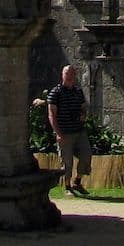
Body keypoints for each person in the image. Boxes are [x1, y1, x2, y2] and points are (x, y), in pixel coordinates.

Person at [46, 64, 91, 196]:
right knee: (67, 162)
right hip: (64, 132)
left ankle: (77, 182)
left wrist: (83, 114)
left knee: (86, 156)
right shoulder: (55, 92)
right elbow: (51, 114)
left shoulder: (78, 92)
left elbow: (83, 107)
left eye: (72, 74)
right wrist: (58, 133)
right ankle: (67, 187)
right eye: (67, 74)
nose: (70, 77)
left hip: (78, 130)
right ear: (62, 76)